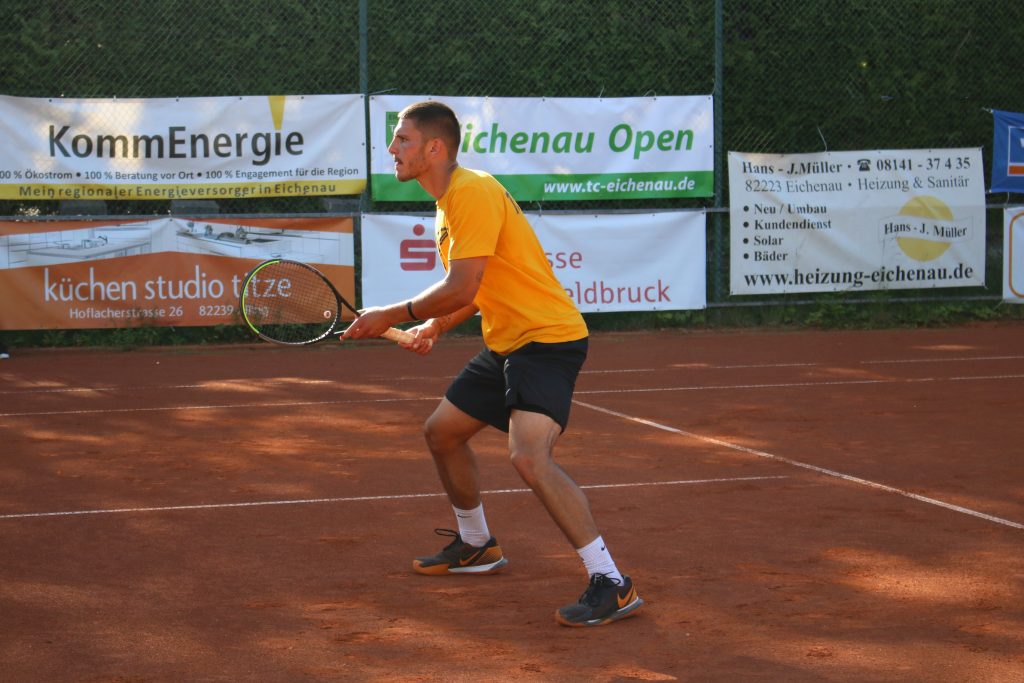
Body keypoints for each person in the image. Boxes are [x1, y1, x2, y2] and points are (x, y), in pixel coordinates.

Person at [342, 100, 643, 627]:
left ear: (435, 148)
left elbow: (462, 285)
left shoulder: (471, 191)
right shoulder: (449, 204)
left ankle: (611, 582)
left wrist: (390, 314)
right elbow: (478, 289)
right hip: (507, 343)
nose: (392, 148)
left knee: (529, 456)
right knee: (442, 433)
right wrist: (434, 327)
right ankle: (477, 544)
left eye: (403, 139)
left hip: (546, 339)